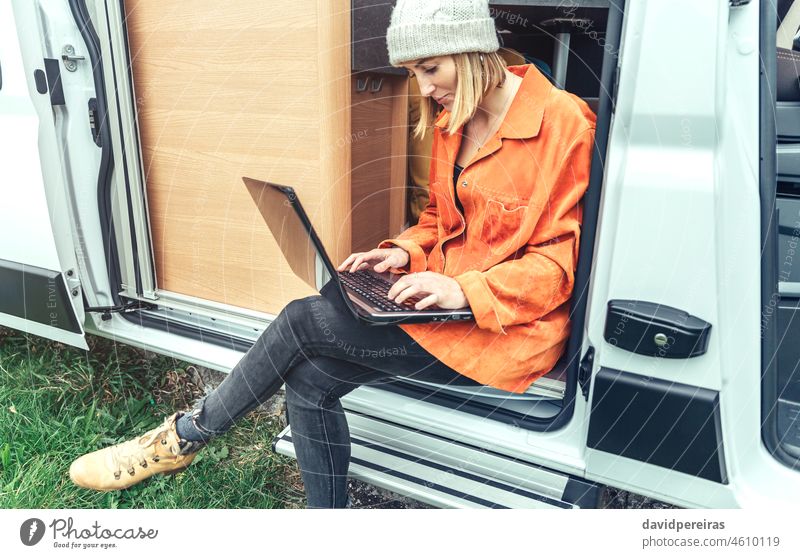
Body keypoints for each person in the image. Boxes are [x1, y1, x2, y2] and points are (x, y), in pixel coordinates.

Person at [68, 0, 595, 508]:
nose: (423, 87)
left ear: (475, 52)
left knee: (302, 320)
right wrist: (403, 254)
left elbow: (557, 264)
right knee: (310, 376)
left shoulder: (563, 123)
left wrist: (462, 289)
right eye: (413, 72)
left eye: (431, 69)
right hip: (439, 306)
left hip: (500, 330)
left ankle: (184, 438)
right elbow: (440, 220)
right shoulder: (454, 116)